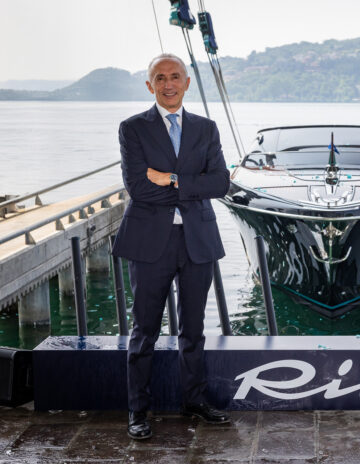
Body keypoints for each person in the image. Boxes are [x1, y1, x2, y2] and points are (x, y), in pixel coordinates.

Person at [112, 53, 231, 440]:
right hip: (150, 243)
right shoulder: (133, 129)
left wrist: (174, 179)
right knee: (144, 330)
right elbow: (138, 187)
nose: (168, 84)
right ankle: (138, 410)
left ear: (186, 83)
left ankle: (194, 401)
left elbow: (221, 183)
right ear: (150, 85)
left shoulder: (206, 128)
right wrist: (192, 185)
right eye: (160, 78)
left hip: (197, 240)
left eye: (175, 76)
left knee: (193, 329)